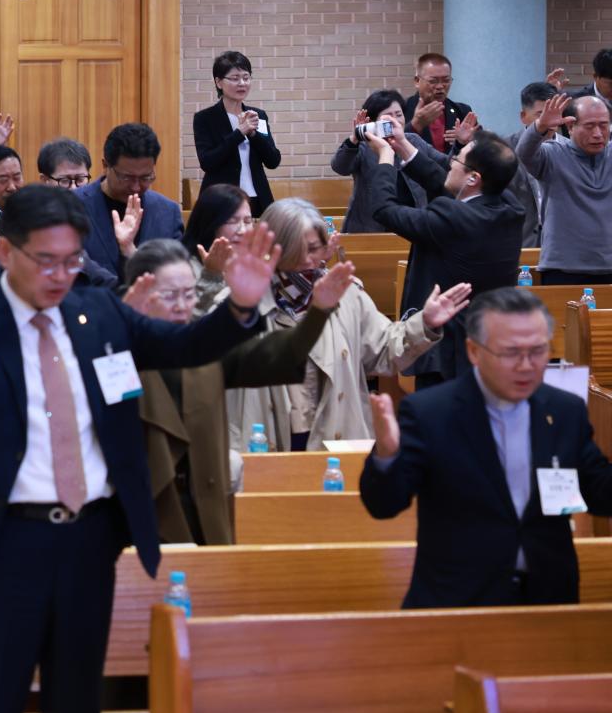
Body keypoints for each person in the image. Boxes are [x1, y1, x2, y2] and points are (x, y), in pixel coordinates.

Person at [0, 184, 281, 713]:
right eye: (46, 260)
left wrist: (240, 305)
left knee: (77, 712)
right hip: (0, 543)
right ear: (8, 251)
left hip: (89, 539)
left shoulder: (99, 311)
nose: (60, 275)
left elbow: (185, 346)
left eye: (72, 260)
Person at [362, 287, 612, 607]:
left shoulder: (564, 410)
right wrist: (387, 455)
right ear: (474, 351)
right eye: (510, 353)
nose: (526, 365)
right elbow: (384, 505)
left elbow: (599, 491)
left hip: (548, 600)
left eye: (538, 351)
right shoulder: (431, 413)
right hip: (458, 602)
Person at [122, 239, 351, 544]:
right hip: (141, 523)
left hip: (206, 518)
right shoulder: (111, 354)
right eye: (169, 295)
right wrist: (123, 337)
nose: (181, 305)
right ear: (137, 293)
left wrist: (318, 311)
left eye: (188, 294)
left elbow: (271, 356)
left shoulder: (203, 348)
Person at [224, 198, 465, 452]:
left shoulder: (346, 293)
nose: (308, 259)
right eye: (298, 250)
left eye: (315, 248)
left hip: (336, 439)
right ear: (274, 249)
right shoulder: (245, 297)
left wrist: (424, 323)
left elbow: (385, 349)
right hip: (265, 439)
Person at [364, 128, 524, 385]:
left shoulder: (454, 219)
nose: (451, 163)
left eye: (457, 159)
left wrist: (385, 157)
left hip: (445, 352)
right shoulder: (511, 209)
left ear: (474, 177)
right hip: (489, 344)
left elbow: (384, 209)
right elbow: (451, 187)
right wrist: (403, 146)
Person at [516, 91, 612, 286]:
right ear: (570, 126)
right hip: (563, 267)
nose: (597, 134)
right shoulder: (553, 154)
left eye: (603, 125)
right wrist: (540, 126)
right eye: (589, 126)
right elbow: (524, 153)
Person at [332, 89, 451, 232]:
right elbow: (340, 167)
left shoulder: (413, 140)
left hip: (411, 224)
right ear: (374, 122)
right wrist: (355, 138)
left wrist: (461, 144)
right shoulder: (364, 146)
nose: (396, 121)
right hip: (369, 228)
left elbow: (446, 164)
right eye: (388, 116)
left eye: (399, 115)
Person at [75, 123, 183, 279]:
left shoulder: (168, 212)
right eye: (126, 177)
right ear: (105, 166)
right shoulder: (71, 206)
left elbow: (176, 271)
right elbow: (76, 263)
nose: (136, 187)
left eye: (146, 177)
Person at [192, 51, 280, 216]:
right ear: (219, 82)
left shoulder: (257, 116)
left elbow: (273, 160)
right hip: (221, 200)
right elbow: (207, 162)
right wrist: (239, 133)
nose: (242, 83)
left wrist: (253, 135)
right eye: (234, 78)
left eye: (246, 78)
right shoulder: (205, 118)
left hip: (257, 198)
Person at [182, 182, 252, 309]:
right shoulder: (183, 268)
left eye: (247, 221)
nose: (242, 230)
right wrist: (211, 274)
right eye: (232, 221)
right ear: (210, 224)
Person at [511, 81, 557, 248]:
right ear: (523, 116)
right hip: (520, 241)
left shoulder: (570, 148)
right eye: (541, 114)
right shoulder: (504, 149)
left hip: (561, 243)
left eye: (553, 114)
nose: (548, 121)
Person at [403, 53, 472, 154]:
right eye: (433, 81)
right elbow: (388, 146)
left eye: (446, 80)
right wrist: (415, 125)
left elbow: (480, 149)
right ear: (417, 81)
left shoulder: (462, 111)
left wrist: (466, 141)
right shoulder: (401, 109)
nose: (440, 86)